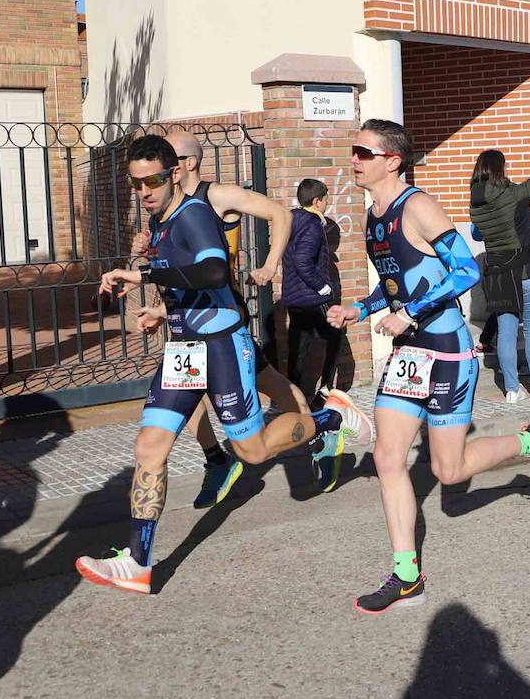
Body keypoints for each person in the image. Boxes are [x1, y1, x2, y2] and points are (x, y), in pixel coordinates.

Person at [74, 135, 371, 595]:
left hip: (221, 346)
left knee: (251, 451)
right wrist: (161, 310)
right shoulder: (159, 221)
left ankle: (331, 417)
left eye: (152, 180)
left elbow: (214, 274)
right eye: (136, 184)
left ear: (175, 173)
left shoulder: (195, 214)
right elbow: (186, 282)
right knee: (149, 446)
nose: (145, 191)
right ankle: (136, 561)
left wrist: (143, 274)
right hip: (184, 349)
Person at [327, 119, 530, 614]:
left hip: (446, 352)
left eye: (363, 152)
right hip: (408, 356)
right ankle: (405, 575)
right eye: (354, 151)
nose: (353, 159)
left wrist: (408, 314)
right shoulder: (375, 214)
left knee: (448, 470)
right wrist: (364, 307)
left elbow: (465, 270)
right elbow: (401, 281)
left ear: (392, 160)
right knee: (388, 457)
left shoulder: (417, 205)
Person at [130, 129, 316, 504]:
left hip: (223, 317)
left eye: (164, 168)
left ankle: (319, 424)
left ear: (183, 166)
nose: (150, 185)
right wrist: (162, 306)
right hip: (189, 319)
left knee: (274, 389)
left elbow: (280, 214)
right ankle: (216, 458)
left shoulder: (216, 196)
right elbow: (177, 267)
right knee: (193, 395)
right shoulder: (162, 213)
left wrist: (268, 266)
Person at [469, 129, 530, 406]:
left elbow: (477, 234)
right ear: (500, 169)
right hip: (526, 270)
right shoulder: (514, 195)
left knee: (506, 331)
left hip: (497, 274)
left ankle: (511, 389)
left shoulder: (475, 203)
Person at [283, 178, 343, 414]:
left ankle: (293, 401)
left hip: (295, 298)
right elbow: (302, 260)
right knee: (336, 337)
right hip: (312, 298)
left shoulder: (290, 220)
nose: (327, 203)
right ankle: (326, 391)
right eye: (326, 198)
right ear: (317, 201)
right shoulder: (312, 225)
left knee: (298, 351)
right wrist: (322, 288)